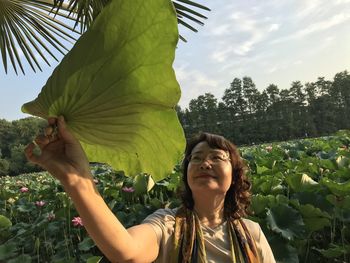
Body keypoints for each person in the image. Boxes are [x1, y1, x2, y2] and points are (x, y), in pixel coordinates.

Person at [25, 116, 276, 263]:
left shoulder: (251, 232)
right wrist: (77, 180)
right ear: (187, 174)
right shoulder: (168, 225)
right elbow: (127, 251)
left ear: (234, 175)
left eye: (217, 157)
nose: (205, 163)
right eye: (196, 158)